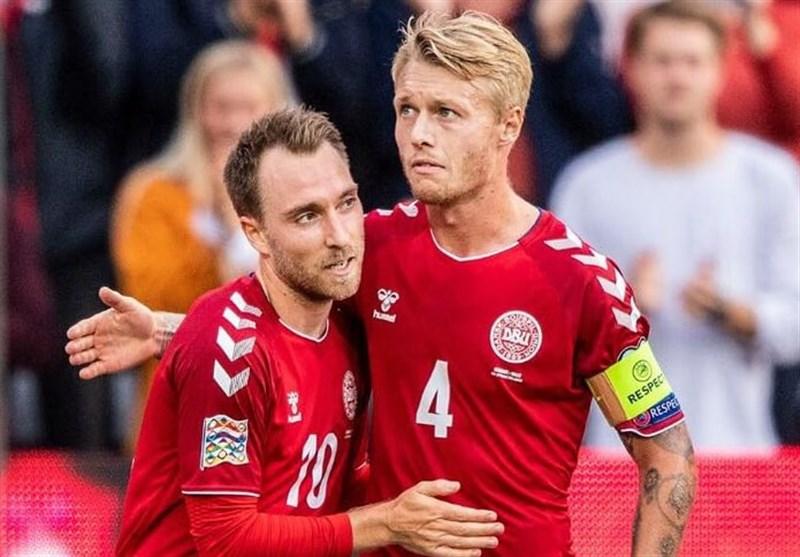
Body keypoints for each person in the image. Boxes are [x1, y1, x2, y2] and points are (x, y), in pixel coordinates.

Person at [67, 11, 696, 556]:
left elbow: (667, 457)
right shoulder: (374, 245)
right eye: (406, 109)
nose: (418, 134)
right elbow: (286, 332)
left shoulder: (581, 282)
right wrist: (168, 332)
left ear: (508, 125)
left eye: (447, 113)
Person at [113, 107, 503, 556]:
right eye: (307, 216)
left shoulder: (347, 327)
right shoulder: (229, 351)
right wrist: (387, 523)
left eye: (346, 203)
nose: (340, 235)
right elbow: (225, 540)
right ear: (256, 234)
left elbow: (328, 488)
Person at [551, 0, 800, 451]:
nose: (678, 77)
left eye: (692, 62)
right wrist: (622, 312)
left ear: (720, 70)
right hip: (617, 459)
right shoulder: (586, 185)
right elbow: (551, 334)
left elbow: (794, 324)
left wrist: (735, 313)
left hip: (739, 452)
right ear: (630, 68)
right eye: (663, 61)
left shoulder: (771, 178)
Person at [112, 40, 290, 447]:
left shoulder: (301, 200)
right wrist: (222, 228)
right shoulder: (153, 193)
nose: (233, 124)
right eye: (221, 107)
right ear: (196, 111)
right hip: (176, 417)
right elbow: (151, 306)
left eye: (249, 108)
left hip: (278, 414)